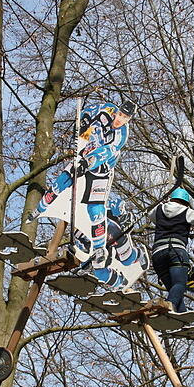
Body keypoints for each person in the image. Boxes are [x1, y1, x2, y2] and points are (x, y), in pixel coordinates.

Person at [31, 99, 137, 267]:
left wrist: (88, 163)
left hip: (101, 169)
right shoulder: (108, 109)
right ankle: (40, 208)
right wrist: (84, 122)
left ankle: (99, 248)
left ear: (129, 119)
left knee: (95, 208)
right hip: (85, 150)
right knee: (63, 181)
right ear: (118, 111)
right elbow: (89, 111)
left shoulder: (121, 135)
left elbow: (105, 152)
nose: (120, 119)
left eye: (125, 118)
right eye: (120, 114)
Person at [149, 188, 194, 313]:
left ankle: (180, 315)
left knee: (174, 291)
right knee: (180, 284)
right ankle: (169, 305)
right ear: (185, 202)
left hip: (158, 254)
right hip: (176, 251)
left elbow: (151, 216)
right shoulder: (186, 211)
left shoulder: (158, 209)